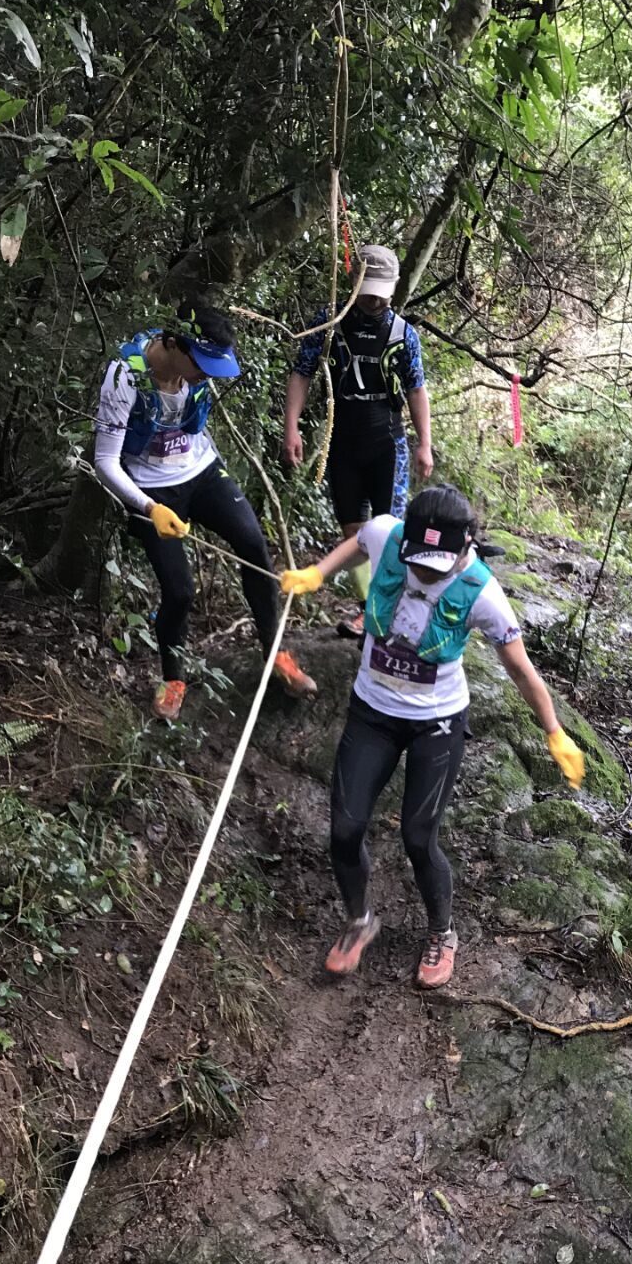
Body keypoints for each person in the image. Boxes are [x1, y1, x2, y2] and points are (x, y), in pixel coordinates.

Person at [280, 485, 585, 990]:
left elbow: (521, 671)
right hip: (372, 711)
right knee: (344, 830)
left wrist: (555, 732)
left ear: (465, 549)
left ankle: (442, 932)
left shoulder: (483, 593)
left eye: (436, 564)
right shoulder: (385, 535)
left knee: (419, 837)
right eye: (417, 560)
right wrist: (318, 572)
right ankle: (360, 921)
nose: (424, 573)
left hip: (436, 722)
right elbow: (356, 545)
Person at [94, 298, 316, 722]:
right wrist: (148, 507)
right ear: (174, 344)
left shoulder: (194, 374)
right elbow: (105, 461)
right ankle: (173, 679)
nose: (206, 377)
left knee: (253, 545)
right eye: (202, 365)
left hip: (200, 470)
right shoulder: (126, 376)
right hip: (150, 489)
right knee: (179, 591)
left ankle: (277, 657)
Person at [281, 245, 433, 637]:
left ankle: (389, 612)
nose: (373, 300)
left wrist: (424, 443)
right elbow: (301, 373)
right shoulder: (328, 324)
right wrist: (292, 427)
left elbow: (416, 390)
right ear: (353, 283)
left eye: (381, 293)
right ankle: (372, 609)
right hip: (342, 443)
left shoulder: (403, 335)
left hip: (387, 443)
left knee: (389, 531)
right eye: (367, 290)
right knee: (355, 534)